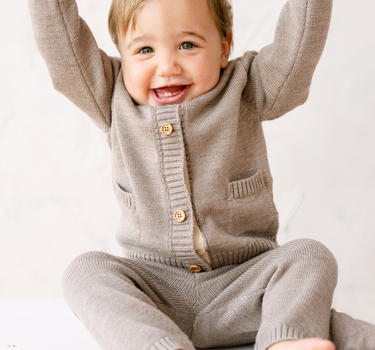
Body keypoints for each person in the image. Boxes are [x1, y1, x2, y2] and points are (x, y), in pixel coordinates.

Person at [28, 0, 375, 349]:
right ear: (121, 53)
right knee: (85, 271)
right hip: (156, 296)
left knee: (309, 254)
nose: (167, 66)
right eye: (145, 49)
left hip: (247, 288)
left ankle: (284, 340)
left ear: (224, 47)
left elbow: (296, 52)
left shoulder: (248, 87)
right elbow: (63, 45)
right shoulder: (109, 95)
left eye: (187, 45)